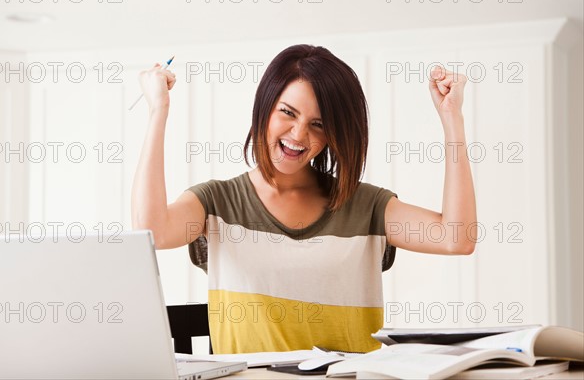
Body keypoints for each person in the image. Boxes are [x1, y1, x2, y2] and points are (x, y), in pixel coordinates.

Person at [131, 44, 476, 354]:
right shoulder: (217, 203)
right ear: (265, 108)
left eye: (318, 124)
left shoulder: (365, 206)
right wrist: (158, 110)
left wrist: (452, 119)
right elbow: (152, 230)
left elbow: (456, 237)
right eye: (288, 112)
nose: (298, 135)